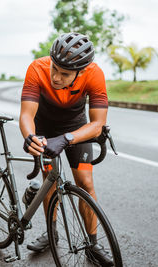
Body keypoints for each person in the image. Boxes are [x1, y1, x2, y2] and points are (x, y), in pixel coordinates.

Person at [19, 32, 113, 265]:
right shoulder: (37, 68)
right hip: (45, 126)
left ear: (80, 72)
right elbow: (26, 115)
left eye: (65, 74)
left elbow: (98, 124)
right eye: (55, 69)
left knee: (86, 182)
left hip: (75, 127)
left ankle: (92, 244)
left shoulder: (94, 74)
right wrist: (30, 136)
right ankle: (52, 234)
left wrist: (68, 138)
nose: (56, 77)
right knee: (51, 181)